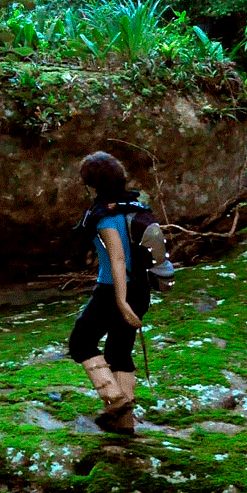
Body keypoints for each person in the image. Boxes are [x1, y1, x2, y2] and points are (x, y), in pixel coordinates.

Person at [69, 151, 175, 436]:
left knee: (80, 342)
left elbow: (117, 259)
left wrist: (120, 300)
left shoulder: (105, 215)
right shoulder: (134, 206)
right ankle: (124, 426)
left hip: (113, 290)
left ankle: (116, 402)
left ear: (91, 185)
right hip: (141, 289)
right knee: (119, 351)